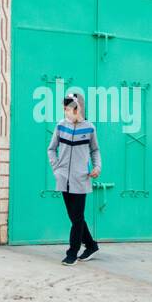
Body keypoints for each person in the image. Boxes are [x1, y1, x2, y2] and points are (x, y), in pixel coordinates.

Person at [47, 90, 101, 265]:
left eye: (70, 107)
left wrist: (97, 167)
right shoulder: (60, 126)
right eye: (65, 107)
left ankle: (72, 253)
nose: (67, 110)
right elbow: (51, 149)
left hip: (81, 179)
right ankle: (91, 245)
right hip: (63, 178)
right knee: (75, 217)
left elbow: (95, 150)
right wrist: (56, 169)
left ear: (79, 108)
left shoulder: (89, 127)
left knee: (77, 217)